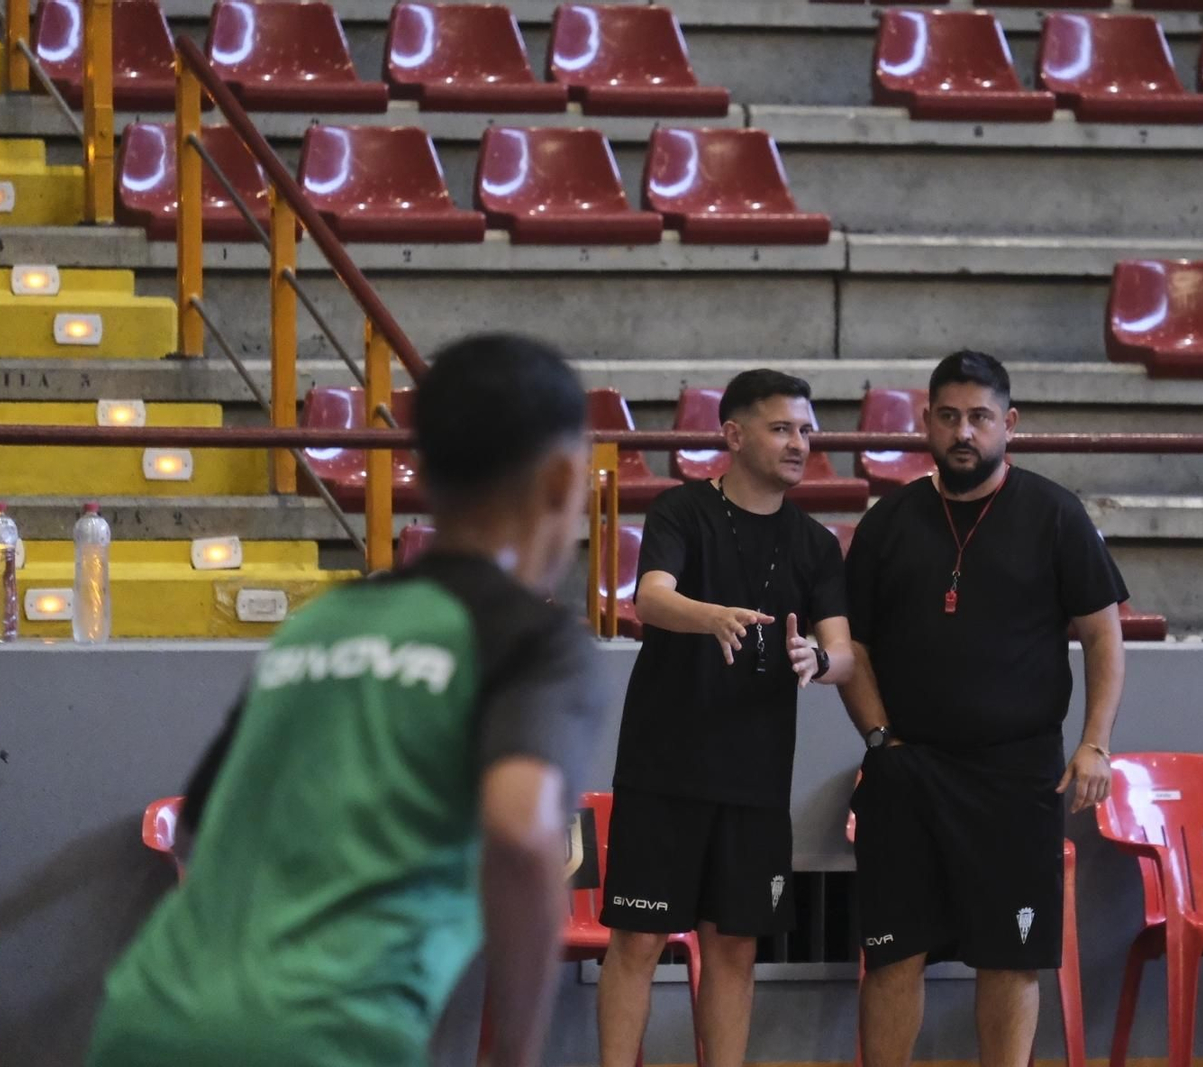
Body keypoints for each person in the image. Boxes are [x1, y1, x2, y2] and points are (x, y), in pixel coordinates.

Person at [87, 334, 609, 1067]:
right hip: (324, 1039)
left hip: (147, 1017)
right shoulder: (534, 640)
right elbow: (523, 834)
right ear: (561, 480)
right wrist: (514, 1054)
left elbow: (199, 823)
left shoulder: (321, 624)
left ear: (424, 469)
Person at [840, 349, 1127, 1067]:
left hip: (1015, 772)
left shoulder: (1055, 514)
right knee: (894, 955)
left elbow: (1103, 632)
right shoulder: (888, 523)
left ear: (1010, 423)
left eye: (979, 417)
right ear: (925, 421)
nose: (963, 431)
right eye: (947, 416)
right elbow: (853, 645)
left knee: (1009, 957)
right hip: (908, 770)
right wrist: (880, 739)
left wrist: (1096, 742)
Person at [597, 369, 854, 1067]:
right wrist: (710, 615)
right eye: (781, 429)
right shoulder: (683, 512)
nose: (799, 443)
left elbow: (844, 652)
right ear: (733, 435)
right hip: (665, 768)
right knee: (638, 943)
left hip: (756, 781)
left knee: (734, 948)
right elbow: (650, 598)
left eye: (806, 430)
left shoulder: (817, 544)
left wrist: (817, 660)